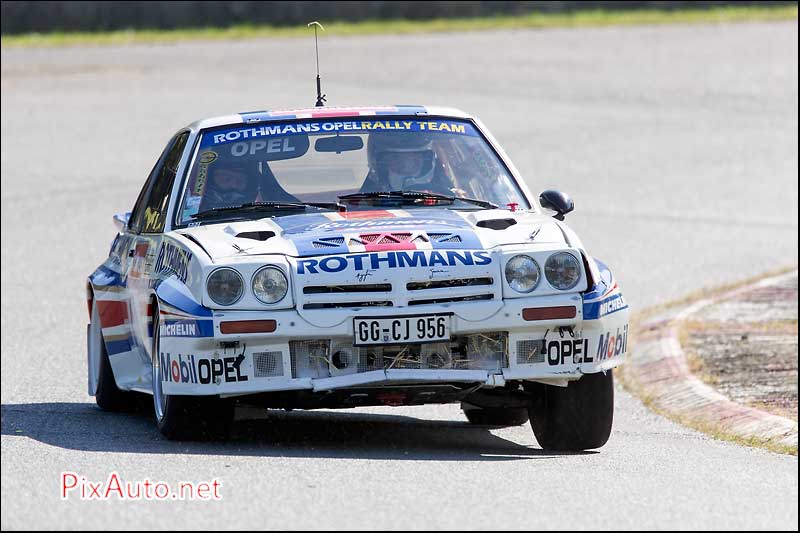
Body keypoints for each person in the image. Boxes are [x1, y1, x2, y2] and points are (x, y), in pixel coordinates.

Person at [360, 131, 458, 195]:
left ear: (426, 163)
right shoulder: (360, 206)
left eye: (415, 160)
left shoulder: (454, 199)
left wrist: (457, 196)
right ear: (381, 166)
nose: (407, 167)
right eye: (397, 161)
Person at [199, 159, 298, 211]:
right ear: (209, 181)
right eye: (226, 179)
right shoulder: (189, 215)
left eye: (240, 180)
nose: (233, 185)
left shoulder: (284, 209)